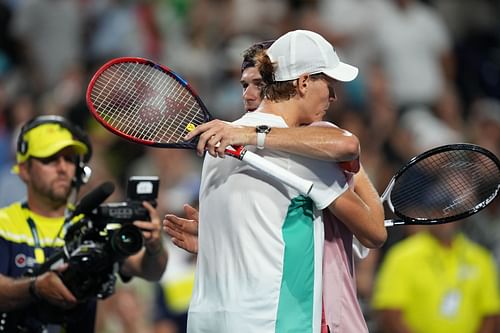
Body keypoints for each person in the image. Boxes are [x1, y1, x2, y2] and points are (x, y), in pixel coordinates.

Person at [169, 29, 386, 333]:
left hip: (207, 321)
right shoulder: (303, 150)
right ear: (303, 82)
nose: (334, 95)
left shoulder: (222, 138)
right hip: (269, 322)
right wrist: (349, 168)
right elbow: (375, 232)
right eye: (329, 82)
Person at [0, 115, 167, 332]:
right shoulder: (4, 224)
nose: (62, 168)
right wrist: (35, 288)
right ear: (24, 170)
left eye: (69, 159)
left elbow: (152, 271)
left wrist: (155, 246)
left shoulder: (93, 222)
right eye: (50, 159)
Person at [371, 221, 500, 333]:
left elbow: (491, 314)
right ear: (429, 214)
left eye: (451, 211)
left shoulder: (480, 258)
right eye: (438, 209)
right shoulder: (402, 255)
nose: (445, 217)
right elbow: (389, 313)